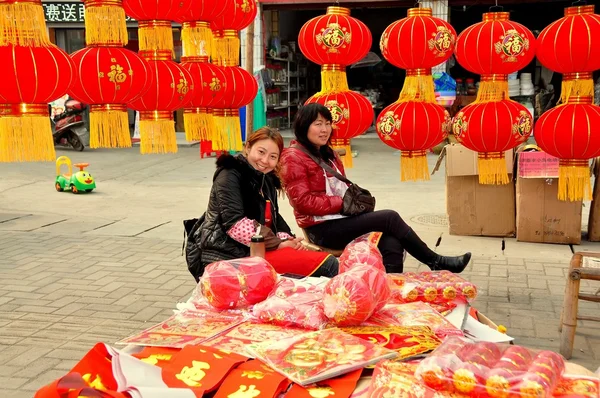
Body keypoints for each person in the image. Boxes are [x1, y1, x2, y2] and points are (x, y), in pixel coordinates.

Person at [279, 103, 471, 274]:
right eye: (318, 124)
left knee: (391, 241)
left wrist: (351, 203)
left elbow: (340, 187)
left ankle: (390, 292)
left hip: (341, 220)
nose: (325, 129)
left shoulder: (328, 154)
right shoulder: (293, 157)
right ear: (304, 127)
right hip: (321, 229)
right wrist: (342, 203)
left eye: (328, 123)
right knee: (389, 217)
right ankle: (434, 261)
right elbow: (302, 203)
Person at [196, 126, 338, 278]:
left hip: (259, 250)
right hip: (229, 255)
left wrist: (288, 239)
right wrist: (278, 244)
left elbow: (274, 218)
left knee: (319, 260)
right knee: (328, 264)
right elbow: (235, 225)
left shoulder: (266, 178)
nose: (265, 161)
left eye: (273, 156)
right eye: (261, 152)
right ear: (248, 147)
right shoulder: (229, 174)